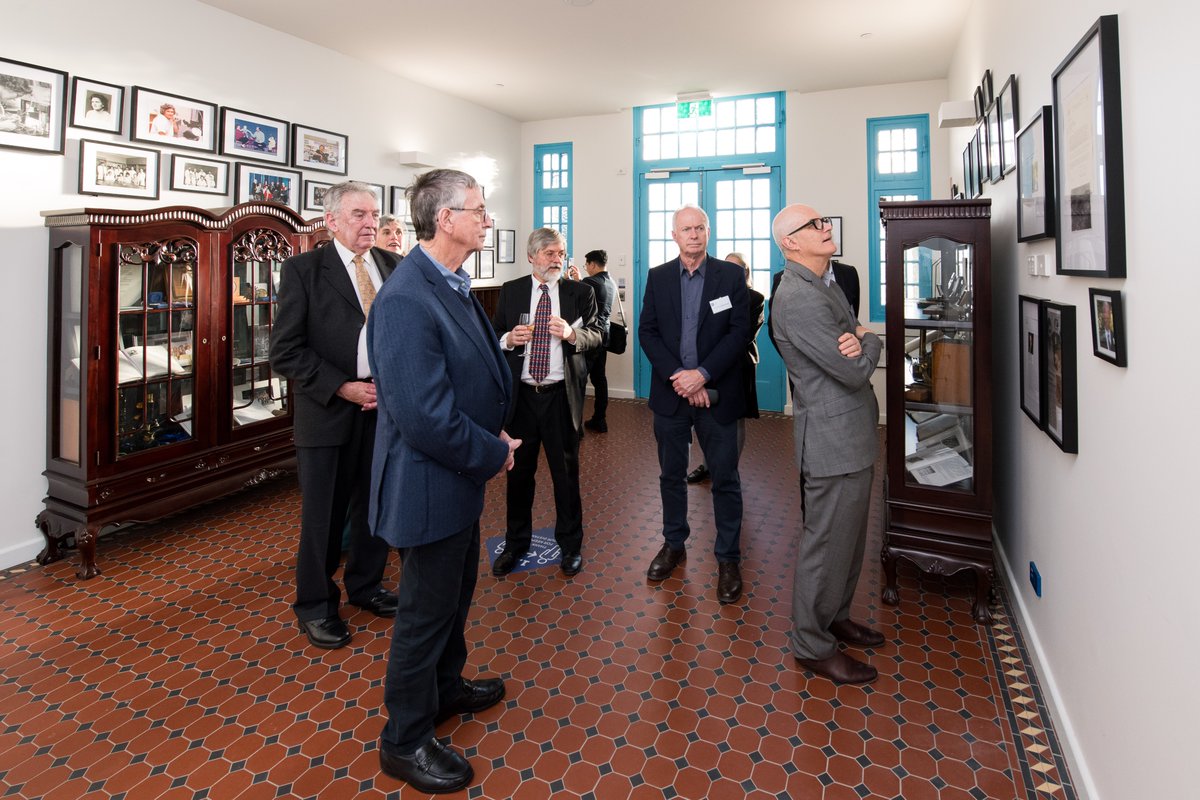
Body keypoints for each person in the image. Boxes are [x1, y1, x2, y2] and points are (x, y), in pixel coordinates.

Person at [367, 169, 519, 794]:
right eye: (479, 210)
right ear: (445, 219)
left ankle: (446, 689)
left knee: (455, 597)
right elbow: (424, 418)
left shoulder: (450, 282)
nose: (487, 219)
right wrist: (492, 451)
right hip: (427, 485)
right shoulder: (406, 298)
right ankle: (403, 739)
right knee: (424, 614)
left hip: (456, 480)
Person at [269, 181, 400, 651]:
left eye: (374, 214)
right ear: (331, 221)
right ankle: (316, 605)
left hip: (382, 411)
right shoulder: (303, 270)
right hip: (327, 414)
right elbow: (284, 352)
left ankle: (366, 587)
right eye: (359, 215)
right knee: (323, 518)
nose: (370, 223)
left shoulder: (392, 266)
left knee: (374, 507)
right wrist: (342, 387)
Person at [769, 204, 884, 685]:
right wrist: (869, 339)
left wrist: (860, 336)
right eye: (813, 225)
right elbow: (855, 367)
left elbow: (853, 337)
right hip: (832, 442)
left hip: (852, 435)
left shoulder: (825, 282)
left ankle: (835, 616)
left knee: (849, 541)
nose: (825, 227)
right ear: (790, 242)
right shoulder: (798, 298)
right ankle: (812, 644)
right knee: (825, 545)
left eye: (824, 221)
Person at [639, 205, 750, 605]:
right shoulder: (658, 277)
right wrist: (681, 378)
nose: (694, 235)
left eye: (700, 227)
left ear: (709, 231)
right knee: (671, 476)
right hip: (671, 396)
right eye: (686, 229)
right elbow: (647, 332)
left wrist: (702, 374)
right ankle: (674, 544)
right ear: (674, 235)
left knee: (725, 478)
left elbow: (738, 334)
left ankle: (728, 558)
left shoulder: (730, 276)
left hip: (715, 395)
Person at [491, 229, 601, 578]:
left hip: (560, 398)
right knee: (518, 475)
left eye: (561, 253)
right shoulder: (511, 292)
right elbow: (492, 336)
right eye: (550, 253)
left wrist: (571, 334)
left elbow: (599, 334)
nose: (557, 259)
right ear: (532, 256)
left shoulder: (581, 292)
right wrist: (508, 339)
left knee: (565, 476)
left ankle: (570, 546)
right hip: (522, 399)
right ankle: (515, 543)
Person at [686, 252, 764, 484]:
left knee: (735, 418)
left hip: (739, 367)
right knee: (707, 415)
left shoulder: (755, 298)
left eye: (735, 268)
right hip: (711, 366)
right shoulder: (714, 295)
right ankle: (709, 465)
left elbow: (743, 334)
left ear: (745, 273)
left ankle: (729, 468)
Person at [581, 249, 616, 433]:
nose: (586, 268)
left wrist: (576, 281)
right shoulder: (611, 282)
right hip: (604, 337)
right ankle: (600, 419)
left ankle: (575, 426)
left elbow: (578, 302)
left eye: (586, 265)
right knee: (599, 379)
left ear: (593, 264)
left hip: (589, 337)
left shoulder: (589, 281)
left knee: (579, 380)